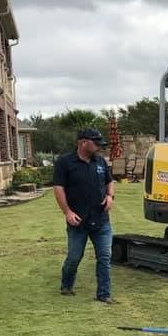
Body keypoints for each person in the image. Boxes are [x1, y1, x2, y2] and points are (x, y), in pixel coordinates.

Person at [53, 127, 116, 304]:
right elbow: (58, 188)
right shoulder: (65, 162)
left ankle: (104, 294)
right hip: (77, 221)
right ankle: (66, 285)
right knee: (74, 258)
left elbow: (110, 182)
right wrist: (67, 212)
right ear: (83, 143)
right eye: (96, 144)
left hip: (101, 220)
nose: (99, 147)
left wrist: (110, 196)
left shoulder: (100, 162)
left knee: (104, 257)